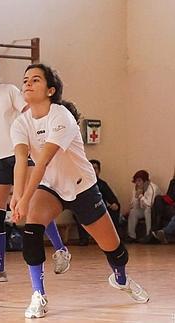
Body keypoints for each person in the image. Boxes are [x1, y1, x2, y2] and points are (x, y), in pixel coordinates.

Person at [10, 63, 149, 318]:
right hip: (51, 188)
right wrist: (18, 197)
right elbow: (22, 161)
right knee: (32, 225)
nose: (28, 83)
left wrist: (24, 197)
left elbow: (42, 162)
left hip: (82, 187)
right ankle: (38, 295)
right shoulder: (20, 123)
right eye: (26, 79)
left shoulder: (61, 116)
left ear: (51, 90)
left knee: (114, 248)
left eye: (36, 79)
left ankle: (121, 279)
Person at [0, 54, 71, 283]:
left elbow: (29, 112)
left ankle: (61, 249)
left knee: (35, 208)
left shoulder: (10, 91)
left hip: (20, 155)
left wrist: (36, 141)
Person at [74, 160, 122, 245]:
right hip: (86, 210)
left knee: (114, 210)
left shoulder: (102, 184)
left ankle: (114, 239)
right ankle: (84, 239)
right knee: (77, 213)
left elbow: (112, 198)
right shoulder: (81, 184)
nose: (93, 170)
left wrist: (114, 204)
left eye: (95, 168)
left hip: (100, 210)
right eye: (91, 168)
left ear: (99, 171)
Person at [125, 170, 161, 242]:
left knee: (147, 210)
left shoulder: (152, 188)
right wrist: (136, 197)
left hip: (154, 211)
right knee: (133, 211)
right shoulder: (136, 188)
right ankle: (131, 235)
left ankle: (148, 235)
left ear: (145, 181)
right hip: (143, 209)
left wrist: (141, 196)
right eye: (136, 181)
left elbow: (149, 205)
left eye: (139, 181)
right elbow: (133, 205)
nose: (137, 183)